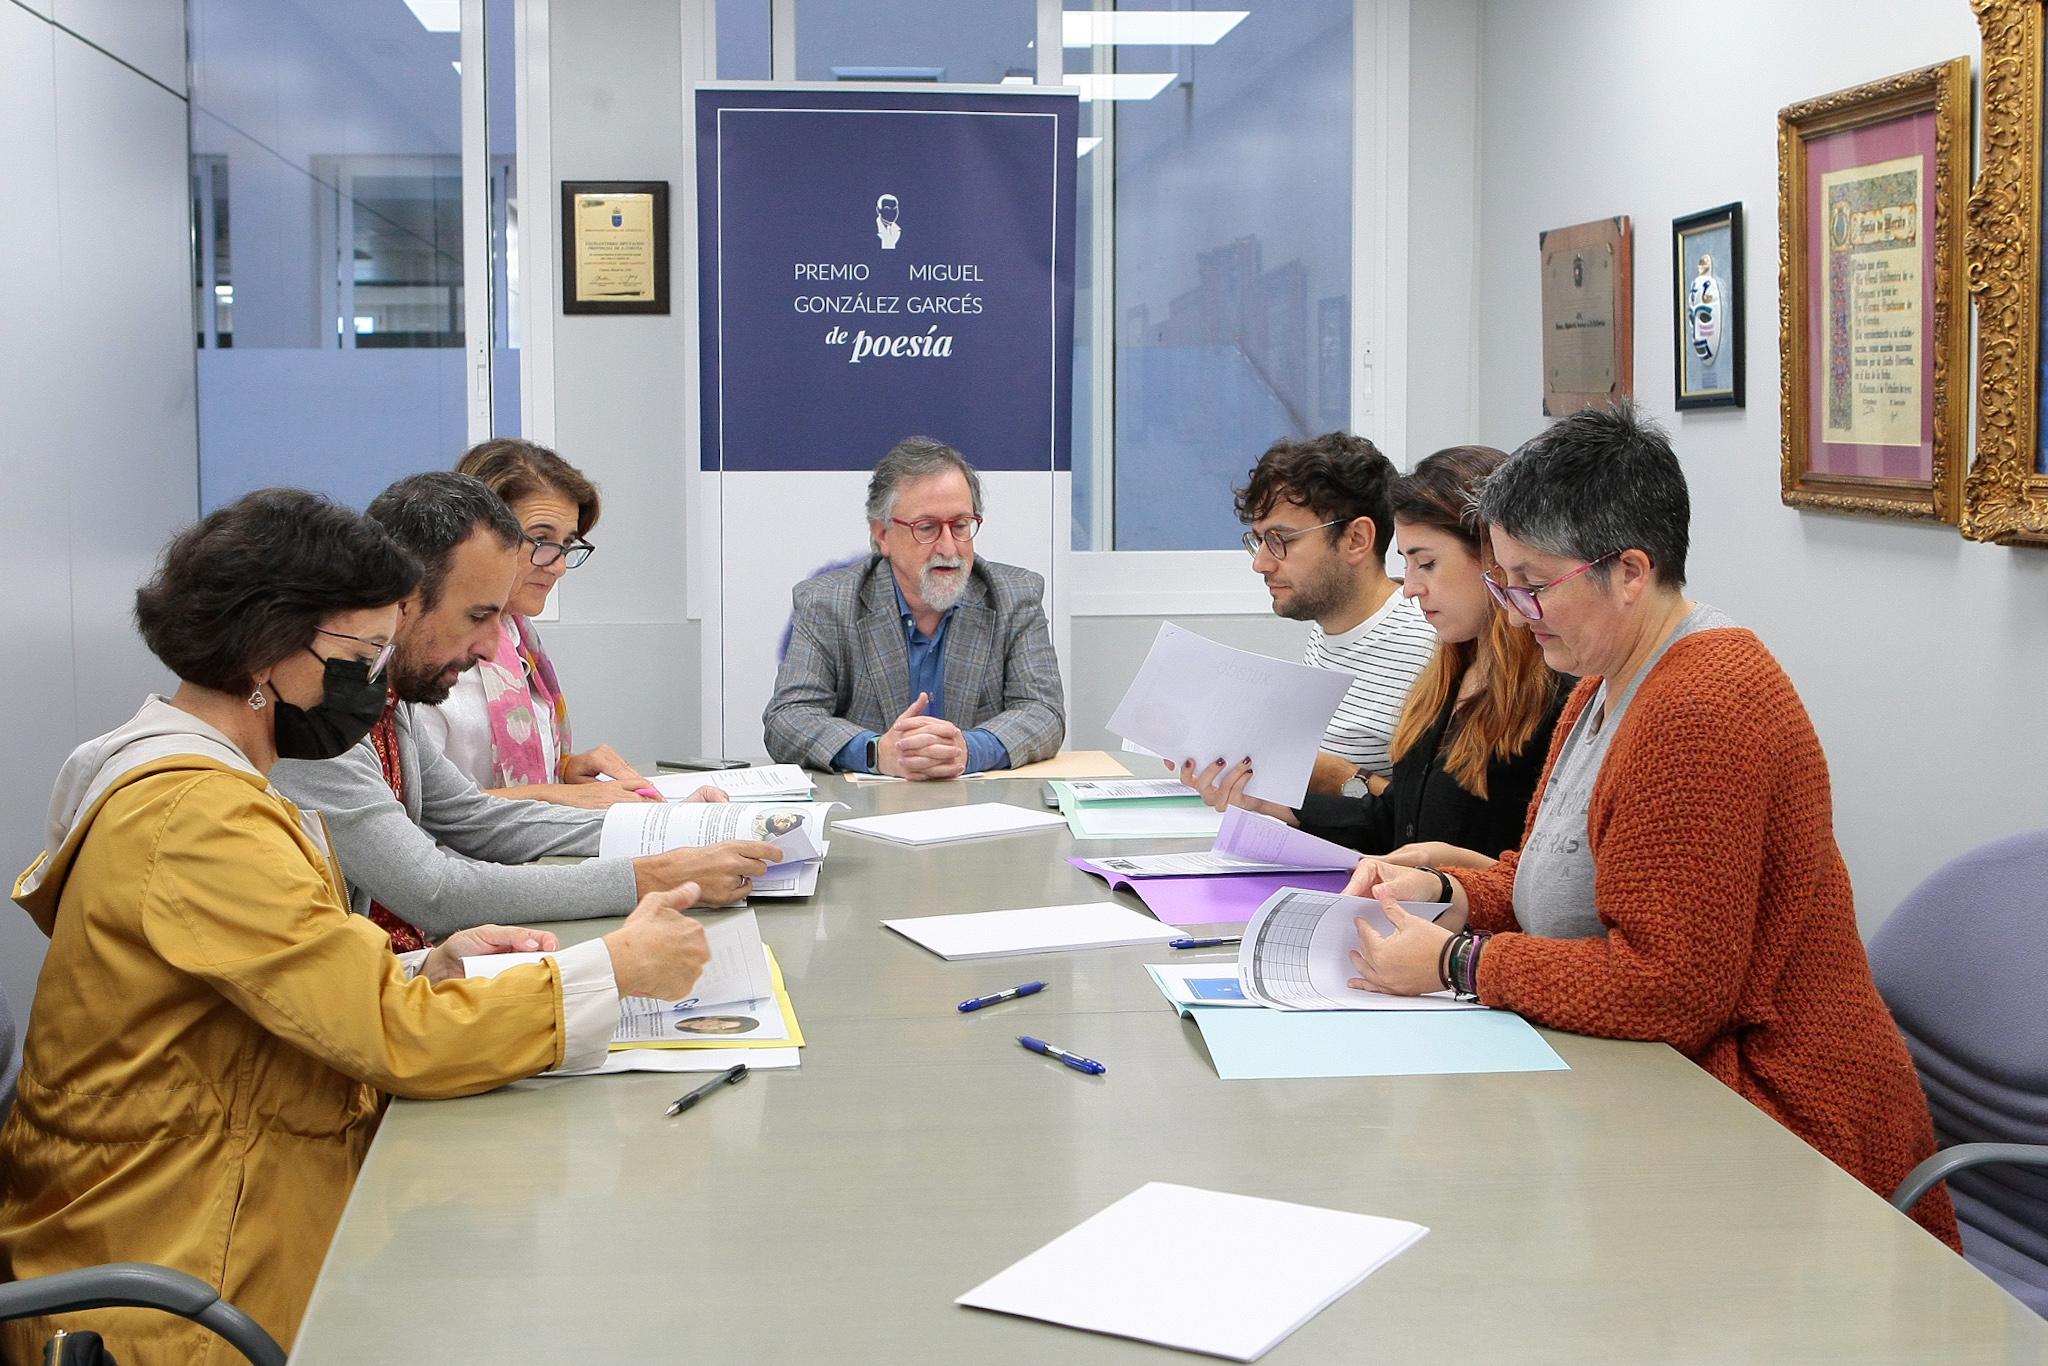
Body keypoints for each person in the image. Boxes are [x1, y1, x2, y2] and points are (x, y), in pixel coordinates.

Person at [0, 490, 714, 1363]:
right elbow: (394, 1040)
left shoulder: (208, 784)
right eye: (360, 656)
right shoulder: (198, 816)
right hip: (181, 1279)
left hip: (204, 1207)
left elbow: (265, 996)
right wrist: (614, 969)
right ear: (265, 650)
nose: (375, 686)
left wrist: (425, 968)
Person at [1339, 403, 1960, 1248]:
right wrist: (1447, 893)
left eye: (1532, 585)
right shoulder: (1602, 678)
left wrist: (1458, 962)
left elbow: (1669, 991)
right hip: (1676, 1090)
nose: (1515, 613)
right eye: (1504, 584)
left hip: (1784, 1127)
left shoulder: (1702, 704)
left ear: (1630, 571)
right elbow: (1557, 877)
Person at [274, 474, 779, 951]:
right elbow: (434, 891)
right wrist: (654, 876)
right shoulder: (315, 713)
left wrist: (676, 828)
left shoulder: (383, 697)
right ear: (403, 602)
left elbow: (476, 816)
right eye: (478, 616)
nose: (492, 647)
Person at [1181, 446, 1568, 864]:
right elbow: (1395, 819)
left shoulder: (1556, 696)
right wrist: (1272, 805)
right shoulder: (1451, 672)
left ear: (1495, 559)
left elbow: (1537, 878)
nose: (1410, 588)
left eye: (1426, 564)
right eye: (1408, 564)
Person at [762, 436, 1065, 778]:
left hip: (982, 802)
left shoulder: (1014, 596)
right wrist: (877, 753)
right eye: (928, 528)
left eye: (960, 525)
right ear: (883, 535)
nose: (949, 548)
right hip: (867, 807)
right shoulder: (827, 603)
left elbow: (1044, 712)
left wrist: (967, 750)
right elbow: (788, 718)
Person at [414, 438, 660, 807]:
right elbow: (418, 807)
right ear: (479, 534)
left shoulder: (520, 638)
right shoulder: (423, 651)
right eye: (542, 540)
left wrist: (565, 773)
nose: (559, 567)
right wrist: (553, 795)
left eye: (567, 544)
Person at [1236, 432, 1437, 796]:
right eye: (1260, 540)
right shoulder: (1329, 626)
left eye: (1281, 540)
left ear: (1356, 539)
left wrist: (1338, 777)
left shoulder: (1426, 646)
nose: (1261, 563)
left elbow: (1430, 814)